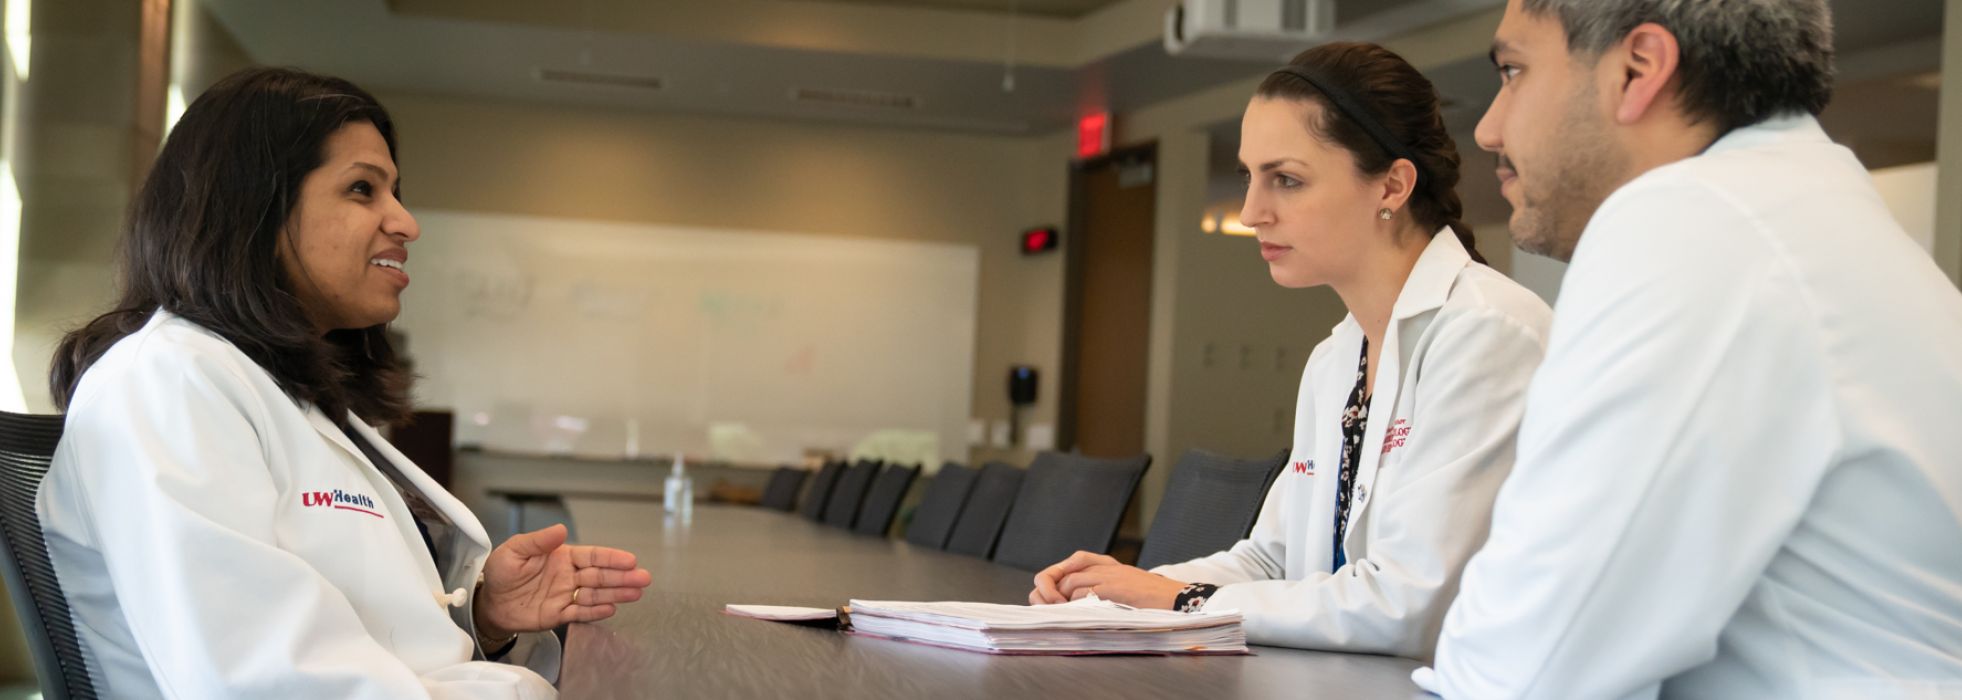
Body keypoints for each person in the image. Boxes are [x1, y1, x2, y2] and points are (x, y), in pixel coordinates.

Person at [41, 67, 652, 698]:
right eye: (363, 189)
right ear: (254, 207)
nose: (406, 223)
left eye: (394, 192)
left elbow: (359, 631)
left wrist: (486, 615)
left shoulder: (274, 390)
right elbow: (262, 681)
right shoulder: (167, 382)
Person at [1420, 1, 1962, 696]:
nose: (1489, 129)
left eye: (1513, 71)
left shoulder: (1695, 218)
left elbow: (1523, 668)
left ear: (1638, 69)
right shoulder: (1805, 213)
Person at [1028, 42, 1552, 658]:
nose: (1252, 212)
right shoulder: (1336, 360)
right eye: (1249, 177)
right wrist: (1121, 591)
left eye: (1287, 180)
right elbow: (1272, 559)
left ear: (1392, 185)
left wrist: (1178, 600)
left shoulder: (1485, 333)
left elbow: (1407, 605)